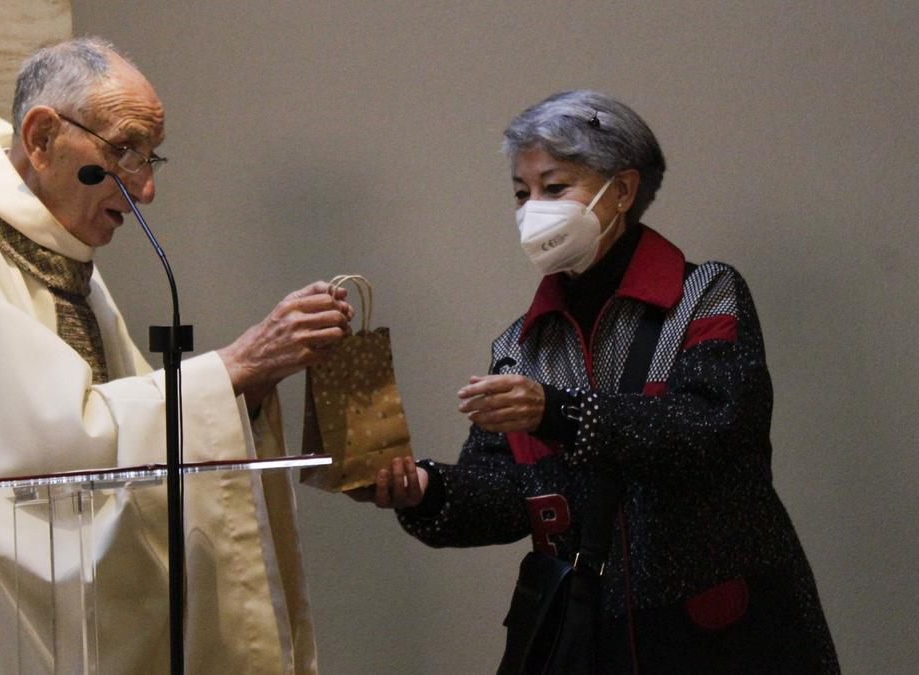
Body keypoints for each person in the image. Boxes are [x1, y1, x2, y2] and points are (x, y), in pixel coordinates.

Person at [0, 37, 350, 673]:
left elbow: (126, 437)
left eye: (151, 157)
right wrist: (235, 366)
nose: (143, 189)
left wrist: (249, 383)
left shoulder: (64, 254)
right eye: (123, 151)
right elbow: (35, 447)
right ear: (41, 136)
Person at [358, 90, 839, 673]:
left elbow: (711, 430)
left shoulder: (705, 295)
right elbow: (511, 498)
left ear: (624, 191)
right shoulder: (519, 347)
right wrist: (424, 490)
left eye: (555, 187)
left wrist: (557, 412)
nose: (532, 208)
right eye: (521, 193)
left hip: (722, 633)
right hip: (596, 639)